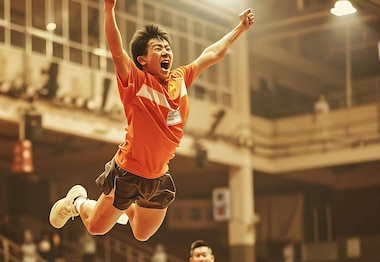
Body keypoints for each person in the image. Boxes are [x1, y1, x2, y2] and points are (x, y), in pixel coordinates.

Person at [48, 1, 255, 242]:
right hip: (128, 172)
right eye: (158, 48)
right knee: (96, 228)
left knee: (142, 234)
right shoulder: (135, 82)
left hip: (157, 177)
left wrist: (239, 29)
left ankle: (122, 209)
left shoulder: (180, 78)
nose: (166, 52)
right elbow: (116, 51)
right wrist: (108, 10)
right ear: (143, 59)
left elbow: (210, 54)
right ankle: (77, 202)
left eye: (168, 48)